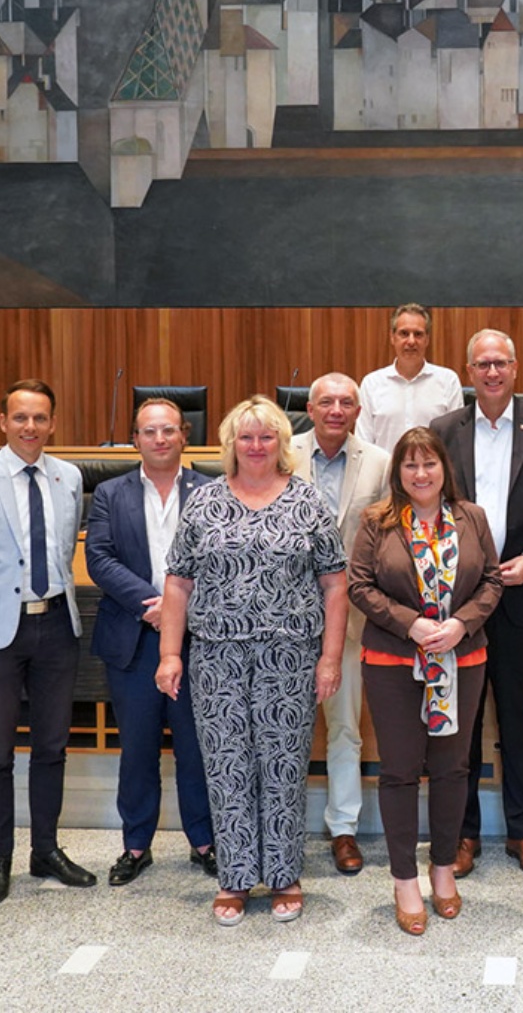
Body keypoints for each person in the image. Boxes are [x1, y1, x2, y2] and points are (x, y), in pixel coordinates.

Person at [156, 396, 348, 926]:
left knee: (283, 766)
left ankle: (285, 873)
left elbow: (335, 585)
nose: (256, 446)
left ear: (281, 443)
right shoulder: (204, 501)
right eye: (246, 437)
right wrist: (170, 654)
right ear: (230, 444)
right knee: (226, 767)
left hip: (289, 656)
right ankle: (236, 878)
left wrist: (329, 658)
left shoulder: (307, 502)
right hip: (216, 658)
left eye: (266, 437)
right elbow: (178, 582)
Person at [431, 329, 523, 878]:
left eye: (500, 363)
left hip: (522, 596)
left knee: (518, 717)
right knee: (461, 721)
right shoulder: (444, 430)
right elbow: (428, 505)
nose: (491, 372)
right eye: (481, 364)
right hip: (460, 601)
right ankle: (463, 833)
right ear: (468, 372)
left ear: (516, 368)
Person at [346, 427, 504, 936]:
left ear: (444, 470)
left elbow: (492, 581)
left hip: (463, 658)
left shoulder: (471, 518)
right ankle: (403, 879)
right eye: (410, 466)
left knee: (454, 768)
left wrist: (461, 624)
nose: (420, 474)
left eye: (429, 464)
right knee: (399, 771)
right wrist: (409, 623)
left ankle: (441, 869)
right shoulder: (378, 522)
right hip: (393, 660)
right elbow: (359, 584)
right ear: (398, 474)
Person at [0, 379, 94, 903]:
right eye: (20, 417)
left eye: (40, 418)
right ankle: (0, 857)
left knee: (52, 746)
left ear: (53, 424)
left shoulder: (68, 477)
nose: (30, 427)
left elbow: (63, 550)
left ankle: (45, 850)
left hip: (56, 626)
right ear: (3, 422)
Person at [84, 398, 216, 886]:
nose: (159, 439)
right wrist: (156, 604)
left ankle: (204, 841)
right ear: (134, 439)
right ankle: (136, 845)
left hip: (200, 643)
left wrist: (180, 609)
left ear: (184, 435)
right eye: (148, 431)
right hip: (133, 642)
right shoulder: (110, 494)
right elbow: (99, 559)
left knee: (197, 748)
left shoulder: (213, 491)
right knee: (136, 750)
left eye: (168, 431)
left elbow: (222, 561)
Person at [290, 373, 392, 875]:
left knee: (345, 726)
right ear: (309, 408)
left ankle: (344, 829)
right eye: (326, 401)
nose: (336, 409)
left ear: (357, 411)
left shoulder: (378, 461)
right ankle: (278, 827)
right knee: (281, 729)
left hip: (348, 616)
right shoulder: (281, 452)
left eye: (346, 402)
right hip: (282, 615)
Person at [354, 303, 464, 450]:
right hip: (385, 472)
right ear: (393, 338)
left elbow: (455, 442)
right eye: (404, 333)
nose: (411, 341)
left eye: (418, 334)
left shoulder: (448, 381)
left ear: (427, 340)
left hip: (432, 472)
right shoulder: (372, 384)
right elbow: (363, 445)